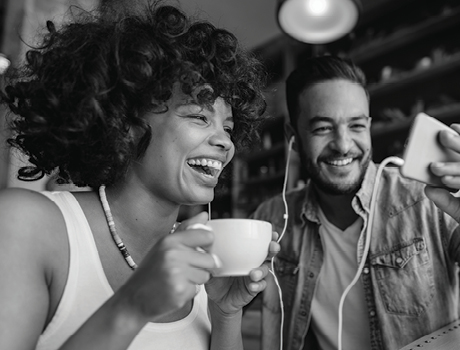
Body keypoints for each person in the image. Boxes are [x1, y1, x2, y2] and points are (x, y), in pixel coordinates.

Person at [0, 2, 279, 350]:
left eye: (228, 127)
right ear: (128, 123)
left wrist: (224, 314)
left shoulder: (201, 261)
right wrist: (135, 303)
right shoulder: (25, 224)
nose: (225, 141)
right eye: (199, 117)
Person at [251, 55, 460, 350]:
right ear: (294, 138)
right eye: (322, 128)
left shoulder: (429, 201)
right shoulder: (271, 218)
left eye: (356, 126)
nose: (343, 144)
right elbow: (224, 303)